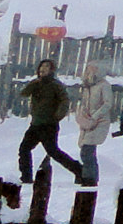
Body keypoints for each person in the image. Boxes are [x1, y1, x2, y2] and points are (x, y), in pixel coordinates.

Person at [16, 55, 84, 187]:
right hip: (35, 125)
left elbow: (64, 101)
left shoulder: (55, 85)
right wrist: (34, 83)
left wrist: (57, 116)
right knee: (24, 149)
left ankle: (79, 170)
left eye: (47, 67)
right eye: (42, 66)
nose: (43, 69)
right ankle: (26, 177)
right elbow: (23, 93)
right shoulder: (36, 84)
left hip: (48, 126)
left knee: (53, 152)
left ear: (52, 70)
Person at [72, 56, 112, 185]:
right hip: (88, 122)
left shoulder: (104, 85)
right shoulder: (87, 86)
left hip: (99, 121)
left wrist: (95, 115)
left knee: (88, 150)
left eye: (93, 69)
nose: (90, 72)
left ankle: (90, 178)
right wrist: (82, 114)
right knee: (85, 150)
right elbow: (84, 103)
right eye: (88, 69)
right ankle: (87, 175)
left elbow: (107, 103)